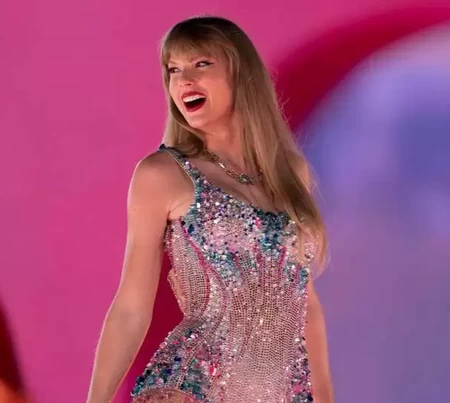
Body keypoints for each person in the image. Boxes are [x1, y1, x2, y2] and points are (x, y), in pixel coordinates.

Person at [87, 15, 334, 403]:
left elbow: (307, 306)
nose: (184, 80)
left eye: (201, 64)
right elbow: (131, 307)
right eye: (173, 69)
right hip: (192, 388)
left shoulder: (290, 173)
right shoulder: (163, 174)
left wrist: (325, 397)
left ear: (241, 75)